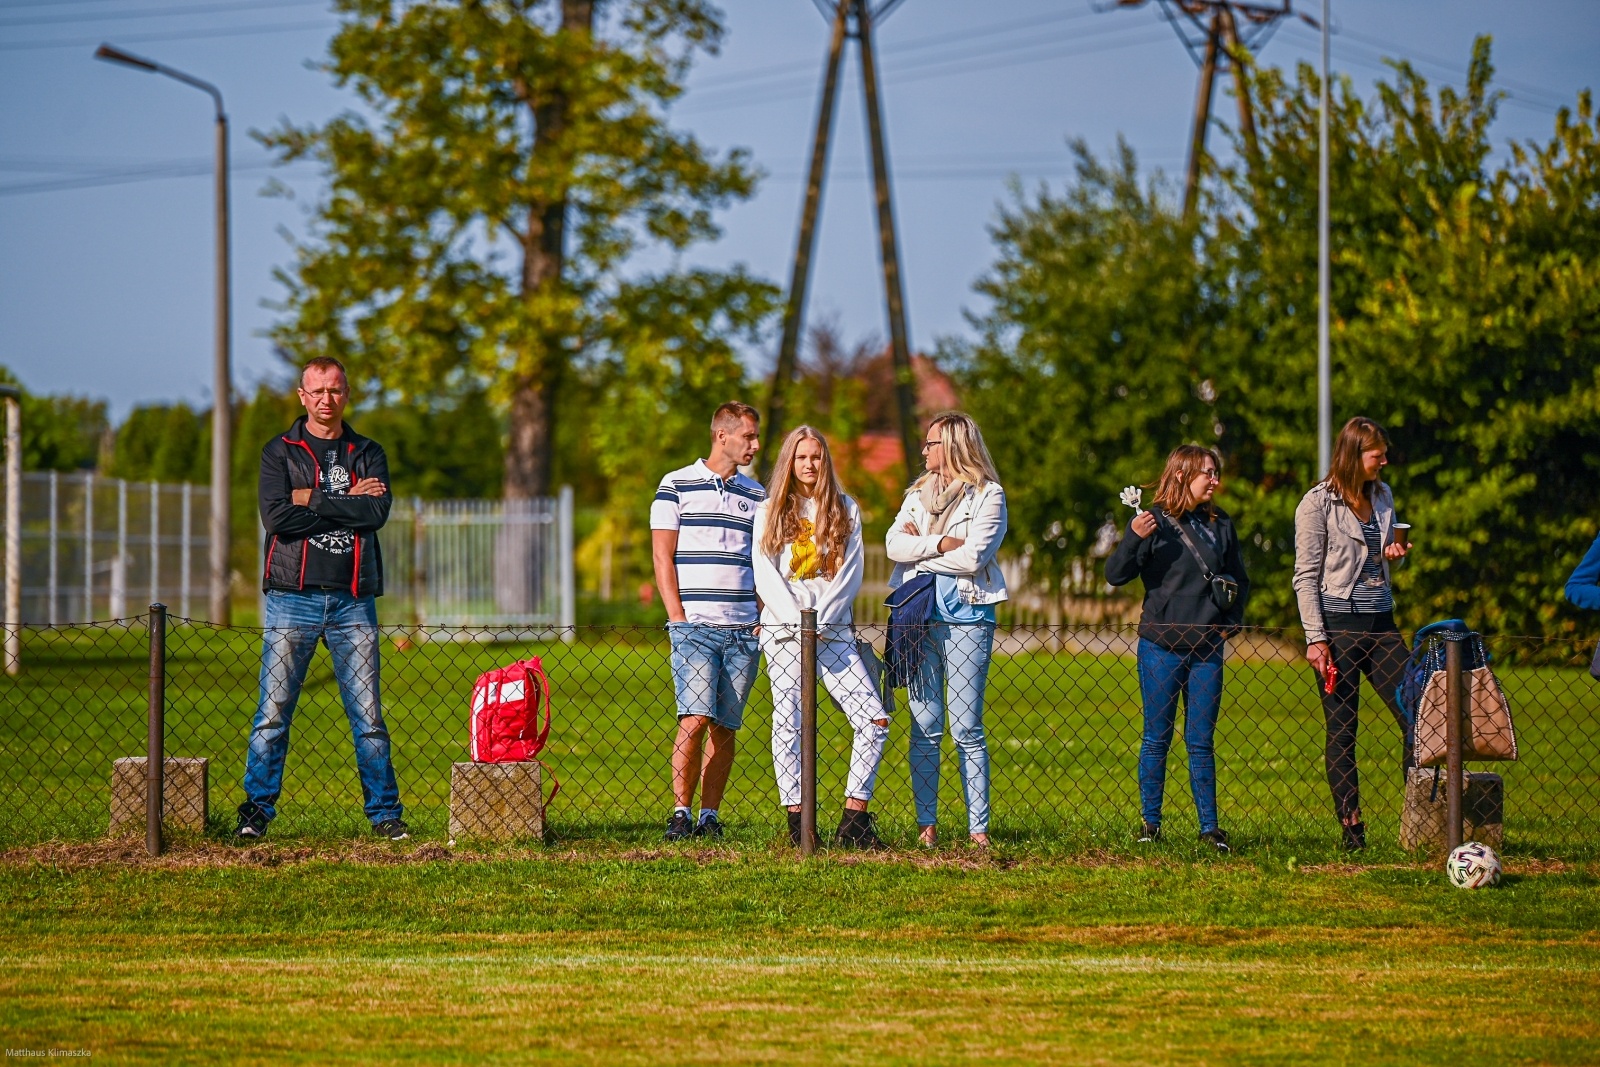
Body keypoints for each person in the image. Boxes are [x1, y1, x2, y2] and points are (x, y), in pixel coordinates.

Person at [236, 356, 407, 841]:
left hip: (353, 600)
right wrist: (347, 501)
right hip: (293, 598)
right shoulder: (279, 452)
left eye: (335, 390)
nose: (326, 400)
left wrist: (309, 498)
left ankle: (385, 815)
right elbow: (278, 520)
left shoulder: (367, 451)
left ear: (346, 393)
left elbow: (375, 513)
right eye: (317, 391)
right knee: (273, 713)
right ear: (302, 396)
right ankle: (256, 812)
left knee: (369, 717)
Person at [1106, 445, 1250, 853]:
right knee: (1156, 738)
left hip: (1207, 649)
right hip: (1160, 648)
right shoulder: (1152, 521)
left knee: (1201, 740)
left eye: (1216, 472)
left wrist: (1230, 624)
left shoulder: (1222, 524)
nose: (1215, 480)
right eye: (1208, 472)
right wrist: (1134, 539)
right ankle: (1150, 825)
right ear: (1183, 474)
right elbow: (1116, 574)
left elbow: (1239, 579)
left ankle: (1210, 829)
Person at [752, 426, 890, 850]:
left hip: (833, 632)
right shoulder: (772, 510)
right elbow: (765, 572)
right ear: (789, 463)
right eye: (801, 457)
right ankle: (799, 824)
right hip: (784, 633)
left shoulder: (845, 508)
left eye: (816, 456)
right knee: (788, 724)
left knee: (874, 719)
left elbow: (850, 575)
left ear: (825, 459)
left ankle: (854, 821)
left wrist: (821, 623)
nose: (809, 465)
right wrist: (797, 624)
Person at [886, 412, 1008, 849]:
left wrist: (917, 557)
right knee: (925, 725)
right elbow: (892, 545)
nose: (924, 451)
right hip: (917, 617)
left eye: (931, 443)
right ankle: (927, 827)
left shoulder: (989, 495)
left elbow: (975, 558)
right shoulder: (918, 494)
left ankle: (978, 831)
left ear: (953, 446)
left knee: (966, 726)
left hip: (968, 617)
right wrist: (938, 544)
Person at [1292, 416, 1412, 851]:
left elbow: (1373, 555)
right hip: (1338, 629)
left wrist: (1392, 553)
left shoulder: (1382, 495)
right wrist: (1315, 638)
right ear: (1353, 454)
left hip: (1382, 627)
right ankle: (1352, 829)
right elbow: (1305, 577)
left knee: (1418, 717)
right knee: (1343, 730)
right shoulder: (1316, 504)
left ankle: (1421, 821)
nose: (1384, 460)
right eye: (1376, 453)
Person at [651, 402, 764, 841]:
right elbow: (663, 555)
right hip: (694, 627)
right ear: (723, 436)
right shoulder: (676, 484)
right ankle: (680, 812)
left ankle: (709, 816)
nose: (755, 445)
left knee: (725, 725)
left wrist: (759, 614)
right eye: (748, 436)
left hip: (743, 630)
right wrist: (676, 617)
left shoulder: (757, 496)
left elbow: (763, 562)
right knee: (694, 717)